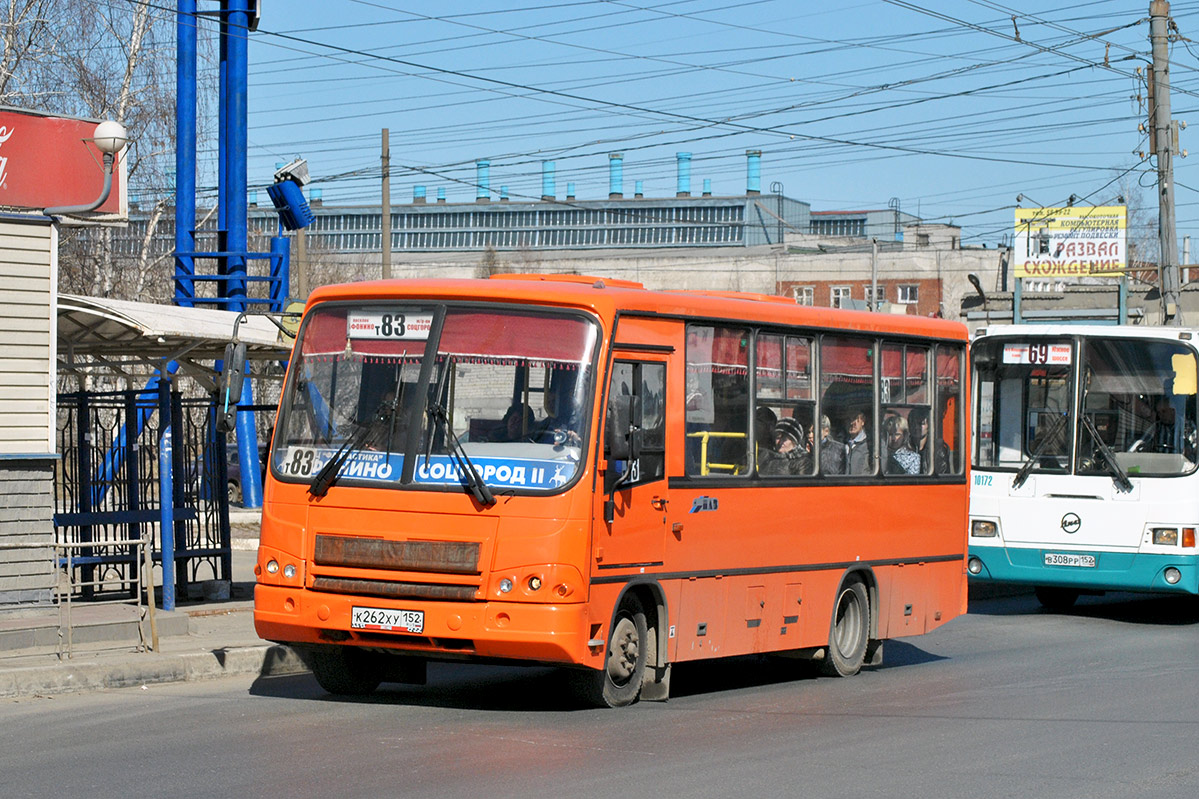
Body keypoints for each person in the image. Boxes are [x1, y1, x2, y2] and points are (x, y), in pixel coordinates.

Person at [908, 407, 949, 473]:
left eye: (921, 423)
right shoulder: (903, 447)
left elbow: (942, 476)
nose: (916, 427)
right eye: (913, 423)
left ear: (929, 426)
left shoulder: (938, 451)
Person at [843, 407, 871, 475]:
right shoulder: (841, 443)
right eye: (849, 419)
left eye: (856, 419)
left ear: (863, 421)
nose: (852, 423)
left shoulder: (870, 444)